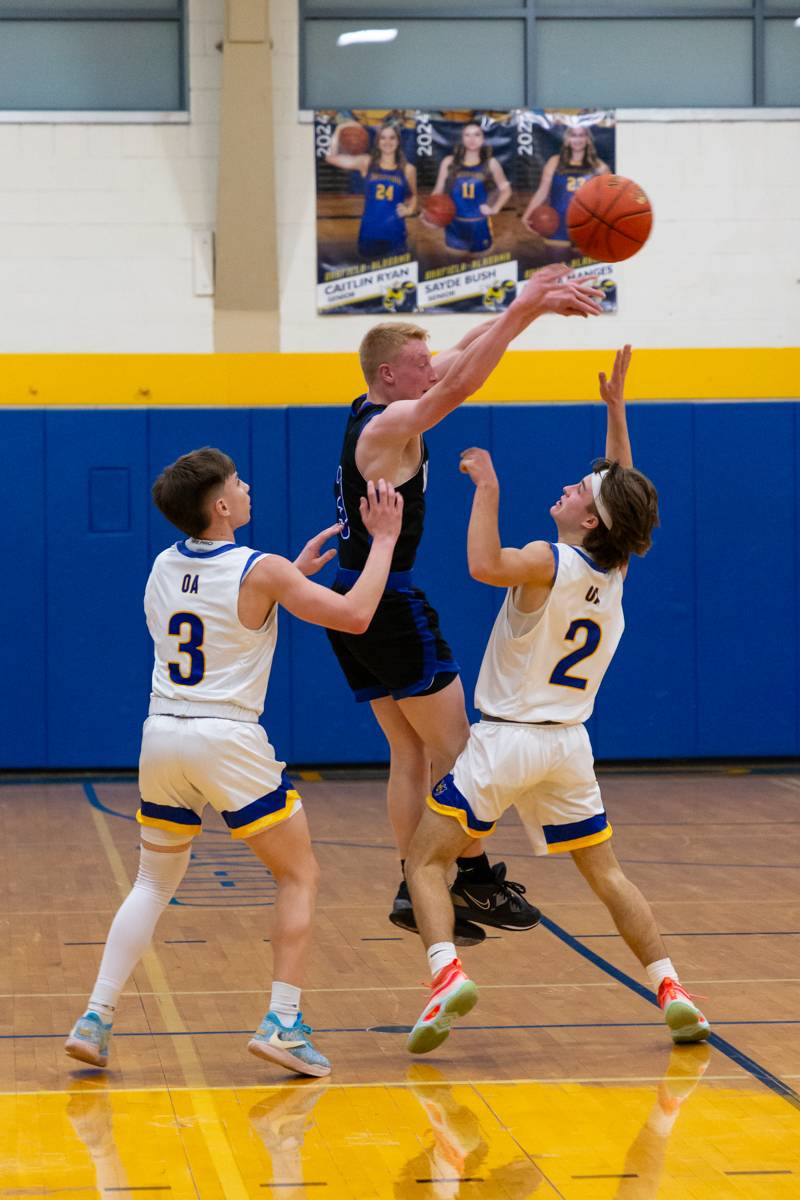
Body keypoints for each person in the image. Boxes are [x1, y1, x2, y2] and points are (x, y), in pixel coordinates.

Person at [404, 346, 711, 1054]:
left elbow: (483, 565)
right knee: (606, 873)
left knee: (425, 860)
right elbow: (621, 491)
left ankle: (446, 974)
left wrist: (486, 487)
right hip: (569, 746)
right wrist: (615, 413)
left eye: (579, 490)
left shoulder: (549, 559)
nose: (571, 488)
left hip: (508, 739)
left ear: (591, 521)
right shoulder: (616, 566)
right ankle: (672, 987)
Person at [65, 448, 402, 1079]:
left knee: (152, 883)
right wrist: (383, 540)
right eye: (239, 483)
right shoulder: (262, 569)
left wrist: (284, 581)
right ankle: (283, 1023)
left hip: (162, 734)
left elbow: (222, 610)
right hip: (226, 737)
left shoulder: (163, 565)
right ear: (221, 506)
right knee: (298, 875)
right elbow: (355, 616)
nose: (248, 488)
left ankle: (95, 1016)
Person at [326, 265, 605, 945]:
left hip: (353, 593)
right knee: (459, 748)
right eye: (421, 362)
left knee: (408, 753)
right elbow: (461, 382)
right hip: (388, 601)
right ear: (391, 374)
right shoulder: (390, 423)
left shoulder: (383, 404)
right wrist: (525, 309)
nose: (434, 366)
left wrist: (524, 307)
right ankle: (474, 877)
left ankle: (408, 885)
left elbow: (464, 354)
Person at [326, 121, 417, 260]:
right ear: (377, 142)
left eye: (392, 137)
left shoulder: (408, 169)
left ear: (398, 141)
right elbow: (330, 158)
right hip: (369, 233)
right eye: (383, 138)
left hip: (396, 234)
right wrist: (339, 129)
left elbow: (414, 197)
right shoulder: (366, 162)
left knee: (396, 280)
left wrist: (410, 210)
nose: (387, 142)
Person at [429, 122, 511, 255]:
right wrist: (430, 213)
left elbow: (506, 189)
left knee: (481, 270)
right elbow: (438, 190)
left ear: (483, 139)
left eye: (476, 135)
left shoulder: (491, 163)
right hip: (454, 226)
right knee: (454, 269)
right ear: (462, 138)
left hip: (479, 225)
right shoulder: (449, 162)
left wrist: (495, 208)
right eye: (467, 135)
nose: (472, 139)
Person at [522, 124, 610, 248]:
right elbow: (542, 191)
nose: (577, 139)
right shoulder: (554, 161)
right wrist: (527, 214)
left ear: (587, 139)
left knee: (584, 266)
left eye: (581, 135)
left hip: (586, 225)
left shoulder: (600, 167)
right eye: (573, 135)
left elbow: (609, 199)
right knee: (557, 265)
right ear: (567, 139)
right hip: (557, 224)